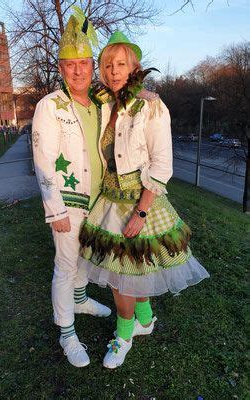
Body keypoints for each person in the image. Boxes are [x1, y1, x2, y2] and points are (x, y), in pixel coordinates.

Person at [79, 31, 210, 369]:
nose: (113, 69)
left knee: (122, 276)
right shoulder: (104, 100)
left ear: (133, 66)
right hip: (109, 199)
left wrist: (141, 211)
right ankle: (145, 321)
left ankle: (123, 336)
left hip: (139, 200)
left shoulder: (151, 106)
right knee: (130, 273)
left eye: (120, 63)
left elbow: (162, 164)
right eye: (107, 63)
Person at [32, 11, 111, 368]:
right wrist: (55, 208)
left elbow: (131, 104)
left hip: (99, 201)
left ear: (92, 65)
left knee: (86, 258)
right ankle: (67, 331)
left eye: (83, 63)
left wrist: (150, 95)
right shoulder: (49, 106)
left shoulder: (100, 103)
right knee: (65, 265)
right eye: (70, 65)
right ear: (61, 69)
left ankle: (80, 299)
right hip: (68, 201)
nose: (77, 71)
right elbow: (43, 160)